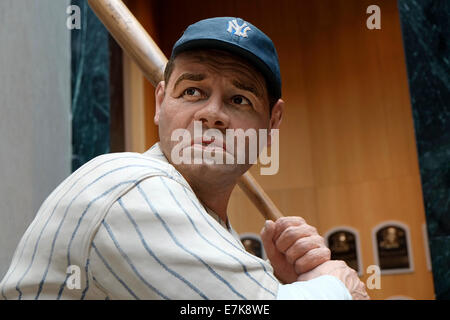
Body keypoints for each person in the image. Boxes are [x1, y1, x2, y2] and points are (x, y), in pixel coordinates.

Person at [0, 17, 368, 300]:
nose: (212, 114)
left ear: (271, 124)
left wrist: (285, 283)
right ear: (161, 103)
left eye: (239, 99)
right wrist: (336, 286)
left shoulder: (207, 224)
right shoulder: (133, 185)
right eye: (193, 90)